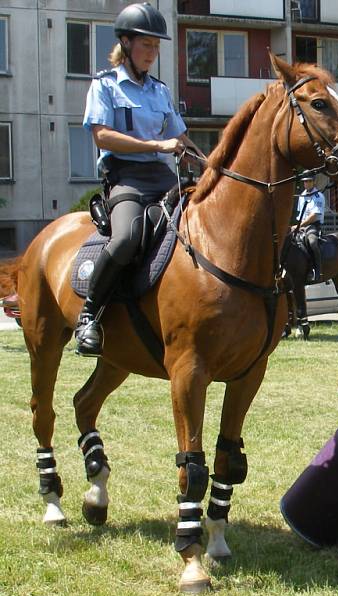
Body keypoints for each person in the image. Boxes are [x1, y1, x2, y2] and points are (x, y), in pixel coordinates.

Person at [76, 2, 204, 357]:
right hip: (126, 176)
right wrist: (156, 144)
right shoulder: (105, 86)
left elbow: (181, 137)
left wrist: (212, 165)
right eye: (146, 45)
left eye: (156, 46)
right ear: (127, 43)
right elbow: (101, 136)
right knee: (127, 237)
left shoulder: (159, 91)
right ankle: (90, 315)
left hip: (162, 176)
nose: (153, 53)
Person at [293, 175, 325, 283]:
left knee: (312, 242)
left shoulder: (318, 196)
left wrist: (300, 225)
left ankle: (317, 270)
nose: (307, 183)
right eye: (305, 181)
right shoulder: (302, 195)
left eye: (309, 181)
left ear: (313, 182)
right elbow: (300, 215)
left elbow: (314, 216)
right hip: (302, 225)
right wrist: (296, 226)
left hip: (313, 225)